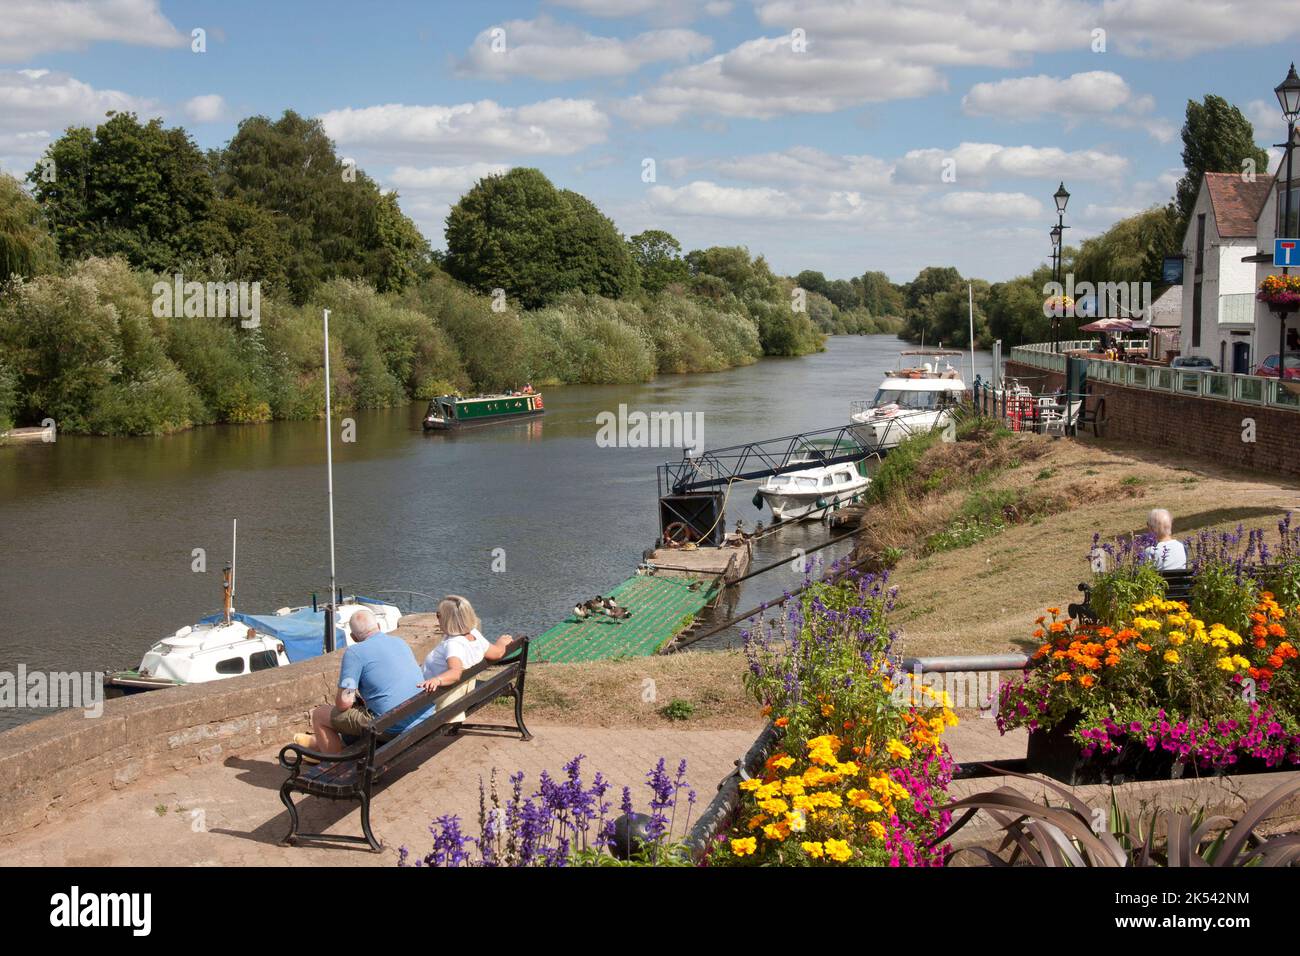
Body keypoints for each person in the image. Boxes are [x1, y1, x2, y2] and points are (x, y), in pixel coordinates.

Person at [299, 607, 428, 755]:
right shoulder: (400, 642)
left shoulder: (355, 653)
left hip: (394, 726)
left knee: (320, 714)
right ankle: (323, 746)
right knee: (362, 711)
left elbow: (344, 703)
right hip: (423, 714)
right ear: (378, 626)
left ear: (353, 637)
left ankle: (332, 766)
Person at [418, 595, 513, 695]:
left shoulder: (453, 644)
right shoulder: (474, 634)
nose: (437, 619)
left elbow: (455, 673)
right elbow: (497, 653)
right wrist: (501, 643)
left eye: (438, 615)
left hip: (432, 696)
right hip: (459, 693)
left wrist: (437, 680)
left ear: (448, 619)